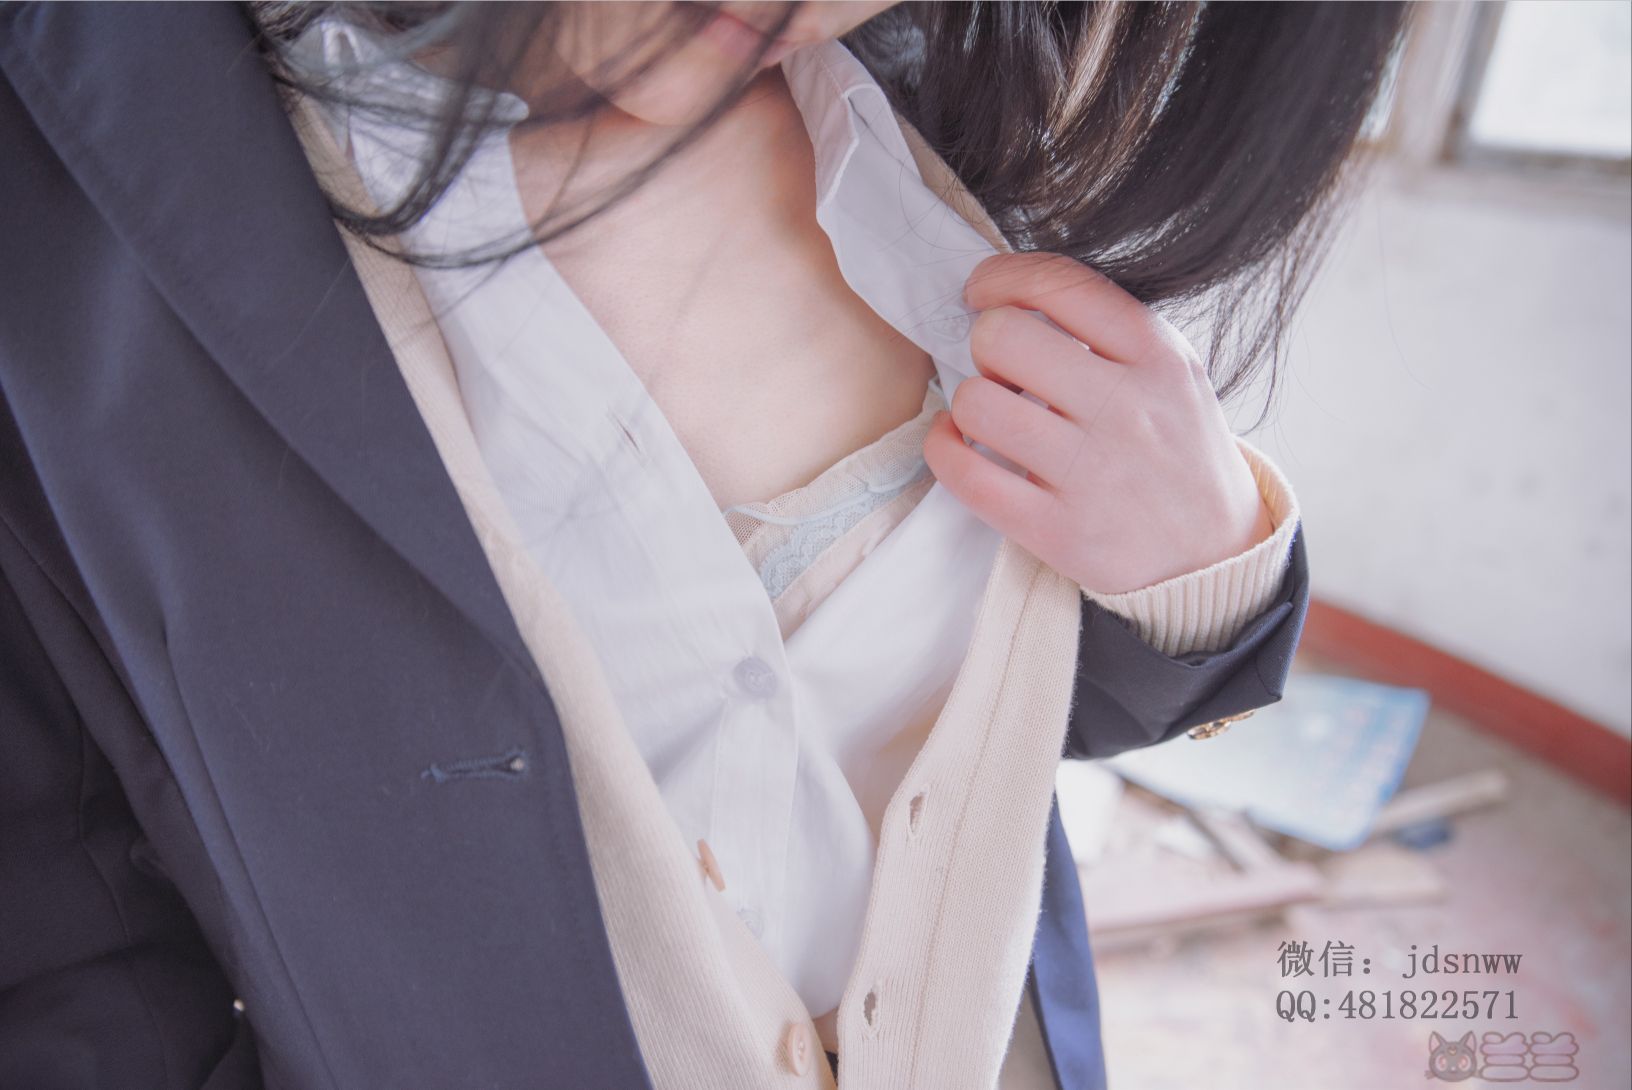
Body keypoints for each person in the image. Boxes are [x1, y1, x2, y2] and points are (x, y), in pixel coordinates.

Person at [0, 3, 1404, 1087]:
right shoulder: (71, 190)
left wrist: (1201, 561)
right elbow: (60, 913)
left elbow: (991, 723)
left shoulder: (957, 111)